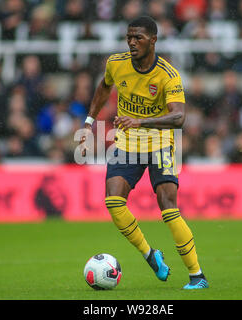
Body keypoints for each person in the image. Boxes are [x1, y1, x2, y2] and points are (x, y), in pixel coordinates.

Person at [80, 16, 208, 290]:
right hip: (126, 142)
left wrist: (140, 121)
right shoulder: (116, 64)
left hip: (159, 142)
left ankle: (197, 275)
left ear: (153, 40)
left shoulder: (167, 74)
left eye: (138, 37)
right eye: (129, 37)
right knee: (114, 201)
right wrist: (90, 121)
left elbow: (178, 118)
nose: (132, 42)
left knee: (167, 206)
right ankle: (151, 256)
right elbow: (104, 86)